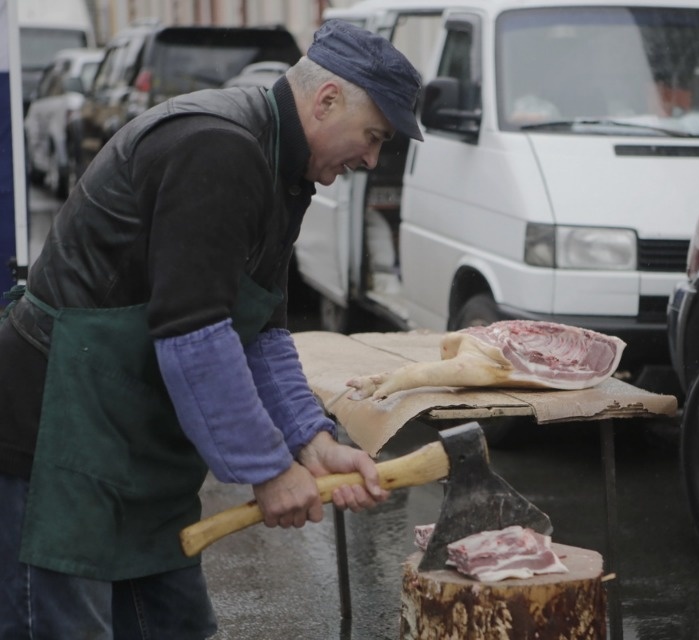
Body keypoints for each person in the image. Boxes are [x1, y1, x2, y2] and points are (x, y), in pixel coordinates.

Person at [0, 19, 423, 639]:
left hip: (135, 443)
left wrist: (311, 442)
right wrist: (269, 469)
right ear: (327, 100)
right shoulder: (219, 148)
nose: (371, 159)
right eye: (374, 136)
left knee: (176, 627)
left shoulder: (285, 169)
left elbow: (261, 331)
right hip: (59, 434)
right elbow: (194, 334)